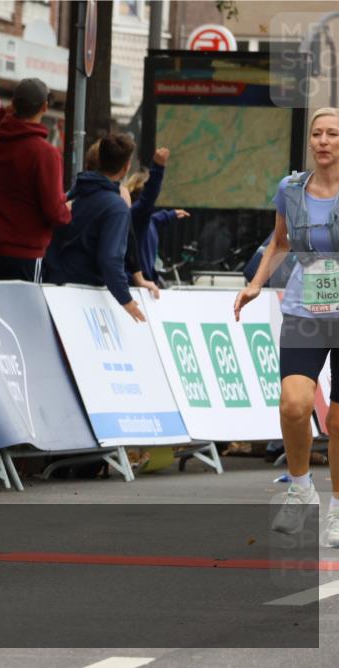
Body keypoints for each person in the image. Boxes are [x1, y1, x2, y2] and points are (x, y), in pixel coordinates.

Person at [234, 107, 339, 548]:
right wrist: (256, 284)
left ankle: (338, 510)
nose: (323, 141)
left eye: (332, 134)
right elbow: (279, 242)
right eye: (317, 134)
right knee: (294, 404)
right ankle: (300, 488)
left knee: (338, 418)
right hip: (304, 310)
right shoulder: (291, 189)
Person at [0, 77, 70, 281]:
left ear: (13, 104)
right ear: (45, 107)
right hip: (24, 254)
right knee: (22, 303)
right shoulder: (46, 153)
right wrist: (68, 211)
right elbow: (54, 211)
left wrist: (2, 111)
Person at [45, 133, 145, 322]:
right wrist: (126, 299)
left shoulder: (75, 193)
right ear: (126, 167)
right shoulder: (116, 207)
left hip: (54, 285)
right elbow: (110, 258)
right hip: (81, 294)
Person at [124, 147, 190, 282]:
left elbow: (154, 220)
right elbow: (148, 199)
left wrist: (170, 215)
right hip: (137, 286)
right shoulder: (136, 216)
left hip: (144, 285)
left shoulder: (143, 220)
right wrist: (158, 167)